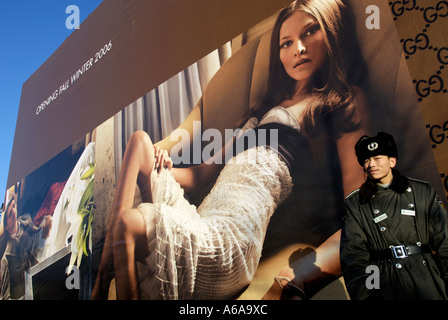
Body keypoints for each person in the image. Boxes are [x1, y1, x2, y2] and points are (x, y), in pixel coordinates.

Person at [92, 0, 368, 300]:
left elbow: (362, 213)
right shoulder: (263, 111)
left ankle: (100, 278)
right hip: (203, 218)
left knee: (127, 223)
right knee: (140, 143)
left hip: (232, 240)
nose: (297, 49)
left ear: (330, 28)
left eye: (310, 32)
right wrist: (166, 164)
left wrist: (294, 277)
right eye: (286, 43)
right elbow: (199, 176)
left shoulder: (341, 100)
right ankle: (103, 273)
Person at [340, 132, 448, 300]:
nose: (371, 165)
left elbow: (445, 242)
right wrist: (369, 296)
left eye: (377, 158)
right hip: (386, 284)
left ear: (392, 161)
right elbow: (356, 257)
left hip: (426, 278)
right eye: (366, 161)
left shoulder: (422, 192)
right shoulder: (357, 204)